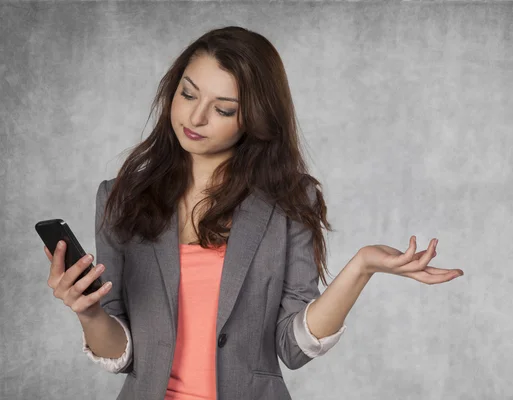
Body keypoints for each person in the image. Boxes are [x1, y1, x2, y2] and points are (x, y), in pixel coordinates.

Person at [44, 26, 464, 400]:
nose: (196, 116)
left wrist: (361, 268)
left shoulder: (290, 202)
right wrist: (89, 311)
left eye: (223, 109)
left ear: (255, 118)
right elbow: (123, 355)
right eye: (188, 93)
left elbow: (293, 348)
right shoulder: (121, 198)